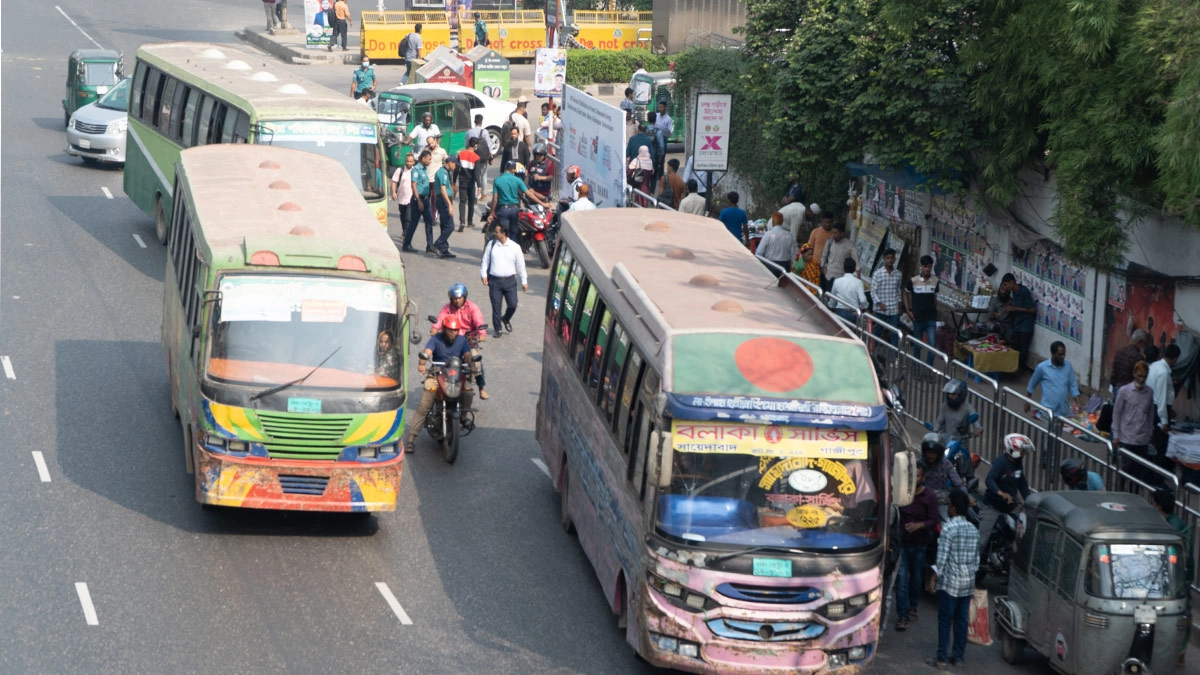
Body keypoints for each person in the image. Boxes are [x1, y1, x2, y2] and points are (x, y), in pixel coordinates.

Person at [403, 316, 475, 452]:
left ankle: (463, 417)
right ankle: (411, 439)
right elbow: (427, 352)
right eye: (449, 330)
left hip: (455, 374)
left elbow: (467, 355)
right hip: (437, 374)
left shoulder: (462, 340)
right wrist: (422, 364)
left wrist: (472, 365)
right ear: (444, 329)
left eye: (455, 330)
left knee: (469, 390)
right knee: (425, 405)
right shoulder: (436, 339)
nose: (452, 333)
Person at [929, 489, 979, 669]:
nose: (947, 507)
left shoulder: (948, 528)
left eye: (949, 504)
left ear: (954, 507)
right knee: (962, 620)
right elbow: (976, 561)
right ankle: (958, 657)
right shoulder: (973, 529)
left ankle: (941, 658)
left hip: (950, 583)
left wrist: (933, 578)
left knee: (945, 620)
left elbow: (941, 559)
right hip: (967, 584)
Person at [1151, 486, 1192, 669]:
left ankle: (1179, 652)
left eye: (1153, 502)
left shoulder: (1170, 526)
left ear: (1158, 506)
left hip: (1177, 576)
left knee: (1182, 612)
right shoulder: (1171, 521)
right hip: (1177, 573)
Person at [895, 465, 938, 632]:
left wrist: (920, 525)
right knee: (901, 581)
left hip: (919, 545)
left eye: (918, 476)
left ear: (923, 478)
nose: (915, 479)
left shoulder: (930, 497)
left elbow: (933, 521)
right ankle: (902, 616)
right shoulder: (902, 494)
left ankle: (913, 605)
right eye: (913, 476)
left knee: (916, 579)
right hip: (902, 545)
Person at [979, 433, 1033, 557]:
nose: (1024, 454)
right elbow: (989, 480)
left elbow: (1022, 484)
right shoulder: (1000, 462)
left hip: (1010, 505)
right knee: (982, 541)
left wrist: (1030, 501)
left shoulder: (1018, 463)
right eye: (1022, 451)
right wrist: (1000, 493)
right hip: (993, 506)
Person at [432, 283, 489, 399]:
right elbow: (440, 318)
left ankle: (481, 388)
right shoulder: (447, 308)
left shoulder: (472, 308)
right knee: (439, 358)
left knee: (476, 361)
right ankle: (436, 381)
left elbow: (479, 321)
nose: (457, 301)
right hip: (451, 338)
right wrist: (435, 327)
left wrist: (482, 334)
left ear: (464, 297)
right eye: (454, 298)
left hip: (469, 340)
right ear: (451, 298)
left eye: (459, 298)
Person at [1112, 360, 1157, 485]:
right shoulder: (1124, 391)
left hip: (1142, 438)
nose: (1142, 379)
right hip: (1126, 437)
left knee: (1138, 472)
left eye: (1144, 376)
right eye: (1139, 375)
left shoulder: (1149, 393)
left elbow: (1150, 415)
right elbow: (1117, 413)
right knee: (1125, 469)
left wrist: (1149, 433)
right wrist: (1116, 435)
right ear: (1134, 374)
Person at [480, 222, 528, 337]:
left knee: (513, 304)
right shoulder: (491, 245)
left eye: (496, 232)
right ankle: (498, 329)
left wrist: (524, 281)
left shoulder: (515, 247)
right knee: (496, 307)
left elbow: (521, 265)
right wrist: (483, 275)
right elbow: (485, 261)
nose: (494, 234)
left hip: (510, 281)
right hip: (495, 282)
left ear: (503, 233)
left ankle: (506, 318)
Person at [487, 161, 549, 240]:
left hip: (503, 210)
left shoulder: (497, 180)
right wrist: (543, 204)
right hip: (515, 209)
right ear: (513, 170)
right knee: (513, 233)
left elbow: (495, 199)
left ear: (505, 168)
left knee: (503, 233)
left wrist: (491, 214)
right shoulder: (518, 180)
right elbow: (530, 194)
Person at [1026, 341, 1083, 418]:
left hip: (1063, 411)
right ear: (1052, 354)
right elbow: (1032, 385)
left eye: (1064, 354)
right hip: (1048, 411)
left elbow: (1073, 385)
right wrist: (1027, 401)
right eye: (1060, 354)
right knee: (1047, 430)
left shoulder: (1068, 366)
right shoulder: (1042, 368)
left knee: (1058, 430)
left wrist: (1078, 403)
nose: (1063, 357)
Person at [1148, 343, 1180, 474]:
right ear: (1175, 358)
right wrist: (1165, 421)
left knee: (1156, 442)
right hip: (1158, 410)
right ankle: (1157, 474)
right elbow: (1161, 398)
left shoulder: (1155, 366)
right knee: (1160, 444)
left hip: (1155, 407)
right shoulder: (1163, 372)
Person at [903, 255, 940, 366]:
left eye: (929, 267)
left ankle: (928, 369)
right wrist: (908, 310)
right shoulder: (913, 281)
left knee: (932, 345)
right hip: (917, 318)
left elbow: (935, 297)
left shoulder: (935, 281)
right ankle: (916, 369)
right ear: (921, 267)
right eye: (925, 266)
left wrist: (934, 308)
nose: (927, 269)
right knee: (918, 345)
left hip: (931, 318)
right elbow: (905, 293)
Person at [999, 273, 1036, 370]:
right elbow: (1013, 303)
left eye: (1006, 285)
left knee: (1023, 351)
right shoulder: (1013, 293)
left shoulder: (1024, 291)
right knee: (1015, 347)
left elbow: (1032, 309)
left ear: (1012, 282)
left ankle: (1019, 370)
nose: (1005, 288)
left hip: (1025, 326)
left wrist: (1015, 309)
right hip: (1017, 324)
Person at [934, 379, 983, 450]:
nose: (950, 396)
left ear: (961, 394)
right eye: (949, 394)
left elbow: (975, 421)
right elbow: (939, 422)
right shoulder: (944, 406)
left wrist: (978, 429)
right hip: (946, 442)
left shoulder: (968, 408)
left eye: (953, 394)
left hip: (961, 444)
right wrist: (934, 432)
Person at [404, 150, 436, 253]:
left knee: (429, 222)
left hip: (426, 199)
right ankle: (406, 244)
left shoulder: (424, 169)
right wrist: (418, 200)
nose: (430, 161)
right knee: (414, 223)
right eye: (429, 159)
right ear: (423, 158)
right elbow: (413, 185)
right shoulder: (416, 169)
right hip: (419, 200)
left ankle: (429, 245)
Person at [870, 248, 903, 346]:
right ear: (884, 259)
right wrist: (879, 303)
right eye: (888, 258)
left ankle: (894, 359)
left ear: (894, 259)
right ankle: (870, 352)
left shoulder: (898, 274)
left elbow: (898, 290)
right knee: (878, 332)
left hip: (894, 309)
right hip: (881, 309)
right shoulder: (877, 274)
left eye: (892, 258)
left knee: (894, 334)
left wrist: (899, 304)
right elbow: (873, 292)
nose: (890, 260)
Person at [920, 433, 965, 499]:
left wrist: (964, 495)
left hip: (939, 500)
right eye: (929, 453)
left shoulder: (946, 465)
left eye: (934, 453)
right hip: (921, 499)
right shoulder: (919, 464)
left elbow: (958, 483)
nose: (931, 456)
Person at [432, 155, 458, 258]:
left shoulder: (446, 172)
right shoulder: (442, 173)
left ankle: (444, 249)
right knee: (450, 226)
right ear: (450, 162)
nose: (455, 167)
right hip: (443, 201)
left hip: (445, 200)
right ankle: (437, 244)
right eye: (455, 164)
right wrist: (450, 205)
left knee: (444, 225)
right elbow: (443, 190)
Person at [757, 213, 797, 277]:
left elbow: (759, 253)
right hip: (785, 266)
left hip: (770, 265)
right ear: (782, 221)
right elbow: (793, 255)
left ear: (772, 222)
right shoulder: (789, 235)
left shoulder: (768, 234)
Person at [391, 153, 416, 251]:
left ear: (413, 162)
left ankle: (406, 235)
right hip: (401, 198)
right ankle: (404, 231)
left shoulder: (415, 171)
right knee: (402, 216)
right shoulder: (400, 170)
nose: (409, 163)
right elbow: (394, 181)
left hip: (411, 198)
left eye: (411, 161)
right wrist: (393, 192)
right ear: (405, 161)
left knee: (408, 218)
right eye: (407, 161)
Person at [819, 223, 855, 290]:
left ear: (842, 233)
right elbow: (823, 256)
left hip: (841, 278)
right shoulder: (829, 242)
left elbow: (854, 261)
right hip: (829, 276)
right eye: (833, 233)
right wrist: (824, 266)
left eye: (836, 233)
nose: (833, 235)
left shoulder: (850, 245)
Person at [465, 114, 492, 199]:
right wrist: (490, 156)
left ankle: (476, 195)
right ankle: (483, 193)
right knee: (483, 175)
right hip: (483, 158)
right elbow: (489, 145)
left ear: (474, 122)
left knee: (475, 175)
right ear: (481, 122)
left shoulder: (469, 132)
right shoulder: (485, 132)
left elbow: (466, 145)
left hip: (473, 157)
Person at [456, 137, 480, 230]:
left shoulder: (461, 154)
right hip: (471, 182)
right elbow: (477, 173)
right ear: (475, 145)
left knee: (462, 202)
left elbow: (457, 169)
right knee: (471, 202)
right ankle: (469, 222)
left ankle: (462, 221)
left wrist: (454, 181)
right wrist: (479, 185)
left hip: (462, 180)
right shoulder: (476, 157)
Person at [806, 215, 834, 282]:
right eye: (826, 222)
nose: (828, 224)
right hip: (816, 263)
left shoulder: (834, 234)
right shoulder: (815, 232)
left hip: (829, 265)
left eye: (830, 222)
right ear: (822, 221)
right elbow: (809, 247)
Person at [646, 111, 666, 185]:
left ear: (647, 119)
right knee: (654, 176)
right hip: (655, 157)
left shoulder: (644, 130)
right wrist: (661, 157)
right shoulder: (659, 132)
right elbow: (661, 146)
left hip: (645, 157)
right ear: (655, 120)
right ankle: (652, 192)